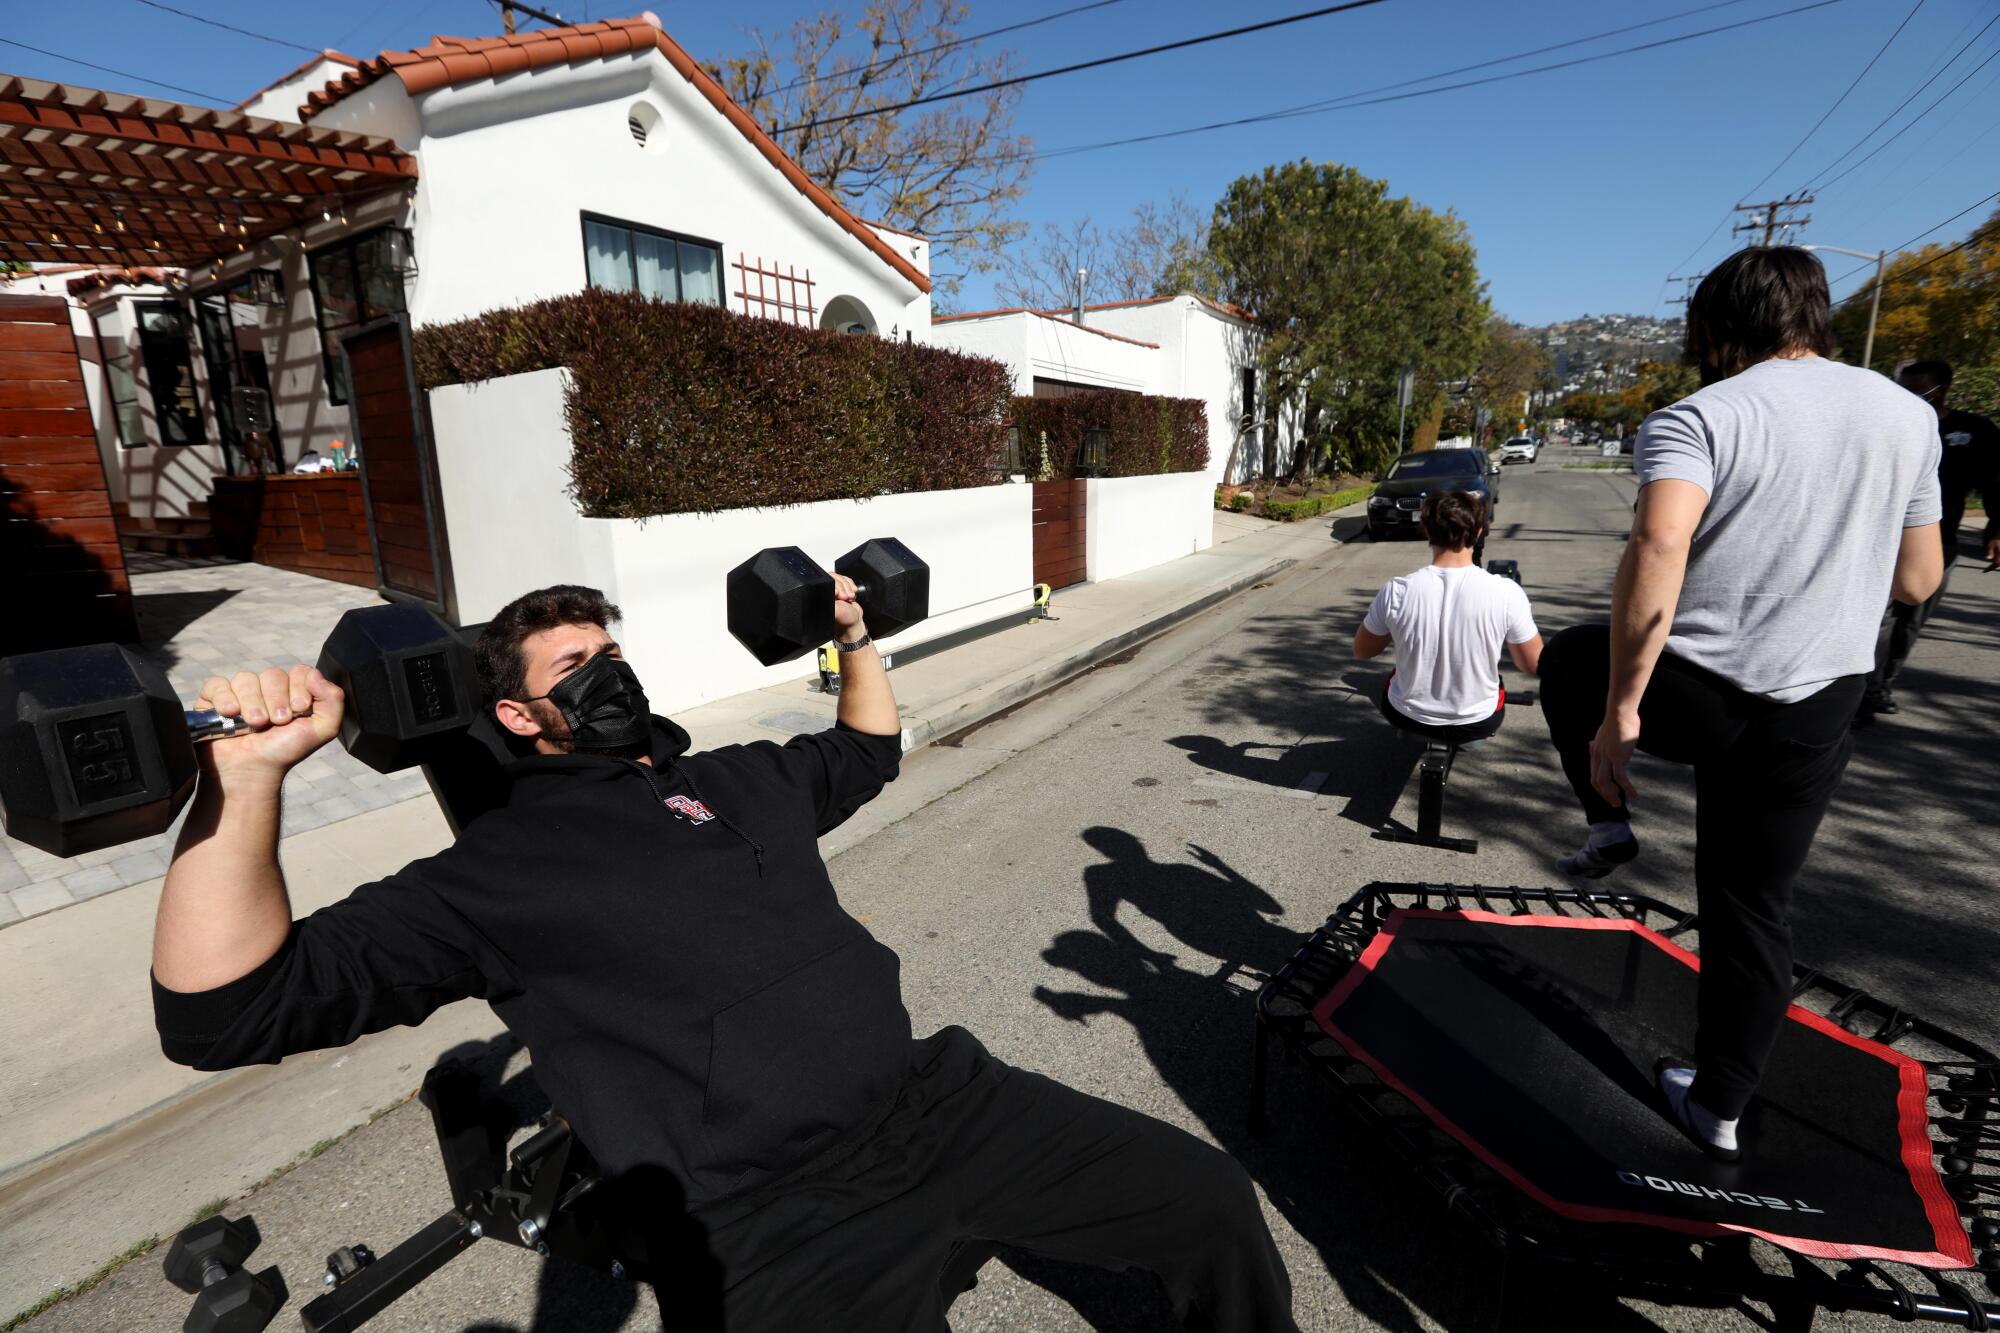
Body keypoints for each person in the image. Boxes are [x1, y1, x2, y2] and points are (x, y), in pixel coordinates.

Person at [149, 583, 1297, 1331]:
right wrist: (245, 784)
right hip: (769, 1212)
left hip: (940, 1106)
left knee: (1208, 1202)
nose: (607, 676)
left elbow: (865, 751)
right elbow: (224, 1011)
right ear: (513, 720)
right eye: (571, 671)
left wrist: (856, 638)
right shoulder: (494, 875)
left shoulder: (734, 777)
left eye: (609, 651)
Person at [1537, 247, 1944, 1164]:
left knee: (1567, 663)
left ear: (1718, 331)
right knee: (1751, 905)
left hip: (1703, 689)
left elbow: (1658, 544)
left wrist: (1621, 712)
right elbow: (1920, 579)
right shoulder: (1909, 415)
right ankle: (1719, 1105)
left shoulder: (1700, 415)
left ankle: (1607, 823)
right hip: (1819, 701)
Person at [1857, 358, 2000, 722]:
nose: (1909, 397)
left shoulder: (1973, 431)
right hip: (1881, 538)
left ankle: (1883, 682)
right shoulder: (1889, 426)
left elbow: (1994, 484)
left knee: (1912, 618)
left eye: (1919, 390)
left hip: (1940, 539)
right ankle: (1866, 690)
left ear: (1944, 389)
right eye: (1903, 389)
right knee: (1880, 616)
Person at [1354, 489, 1543, 744]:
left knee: (1394, 677)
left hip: (1406, 716)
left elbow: (1363, 651)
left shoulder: (1396, 590)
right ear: (1478, 533)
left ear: (1427, 532)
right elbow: (1531, 665)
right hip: (1477, 722)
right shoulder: (1507, 592)